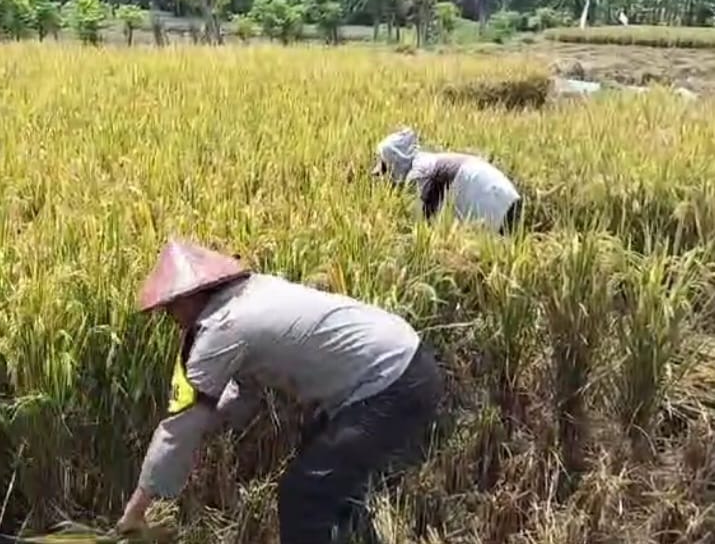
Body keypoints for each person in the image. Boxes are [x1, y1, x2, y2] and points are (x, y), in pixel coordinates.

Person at [116, 238, 444, 544]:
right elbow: (243, 396)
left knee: (304, 496)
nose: (171, 318)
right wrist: (205, 425)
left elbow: (180, 426)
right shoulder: (253, 292)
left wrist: (136, 510)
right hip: (403, 364)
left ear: (191, 296)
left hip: (390, 383)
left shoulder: (222, 328)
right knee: (330, 485)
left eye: (171, 307)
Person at [371, 127, 524, 235]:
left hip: (489, 202)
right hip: (506, 194)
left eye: (385, 169)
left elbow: (420, 228)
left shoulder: (417, 176)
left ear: (395, 164)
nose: (386, 180)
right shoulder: (427, 160)